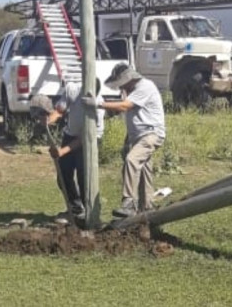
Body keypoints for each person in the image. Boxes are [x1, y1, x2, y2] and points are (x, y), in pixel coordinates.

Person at [89, 64, 166, 218]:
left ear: (129, 79)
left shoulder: (144, 86)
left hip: (151, 134)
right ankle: (147, 206)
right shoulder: (134, 90)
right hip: (139, 136)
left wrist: (98, 104)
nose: (120, 88)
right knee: (144, 169)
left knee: (132, 160)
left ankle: (129, 203)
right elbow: (132, 114)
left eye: (121, 84)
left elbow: (125, 106)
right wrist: (128, 139)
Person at [30, 79, 105, 224]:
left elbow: (85, 138)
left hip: (90, 140)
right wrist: (48, 120)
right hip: (70, 133)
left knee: (85, 177)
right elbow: (59, 111)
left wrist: (62, 151)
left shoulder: (98, 107)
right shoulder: (72, 89)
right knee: (63, 174)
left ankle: (90, 213)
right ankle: (75, 209)